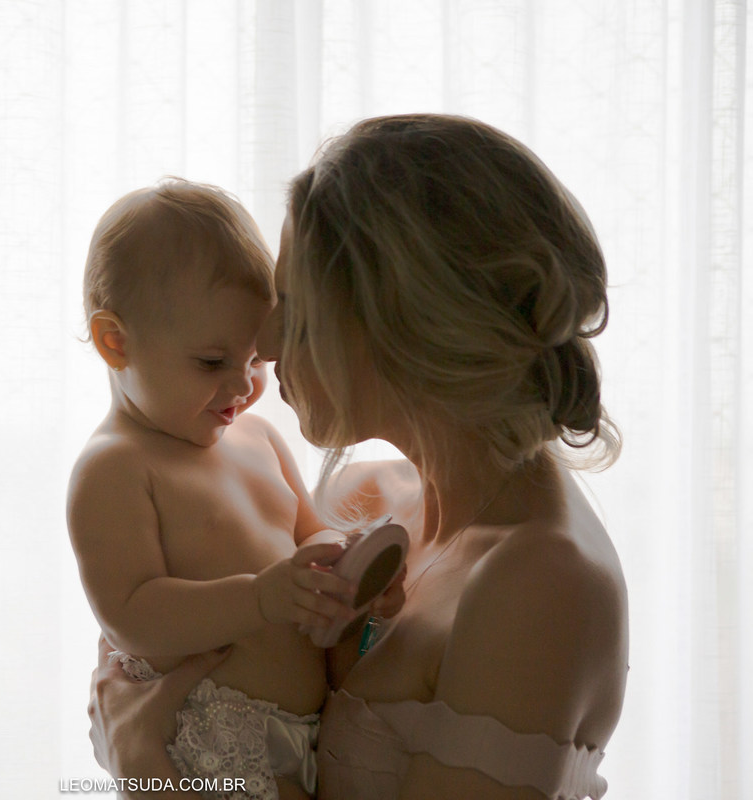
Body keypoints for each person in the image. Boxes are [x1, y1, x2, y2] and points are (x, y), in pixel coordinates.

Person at [87, 115, 629, 800]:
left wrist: (142, 765)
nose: (266, 345)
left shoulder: (540, 586)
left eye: (294, 307)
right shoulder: (363, 501)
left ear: (400, 324)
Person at [68, 179, 404, 800]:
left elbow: (309, 535)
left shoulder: (259, 438)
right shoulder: (116, 468)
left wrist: (348, 573)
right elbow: (132, 615)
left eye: (255, 361)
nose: (244, 385)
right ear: (116, 342)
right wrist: (259, 599)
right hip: (205, 743)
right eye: (211, 362)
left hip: (305, 737)